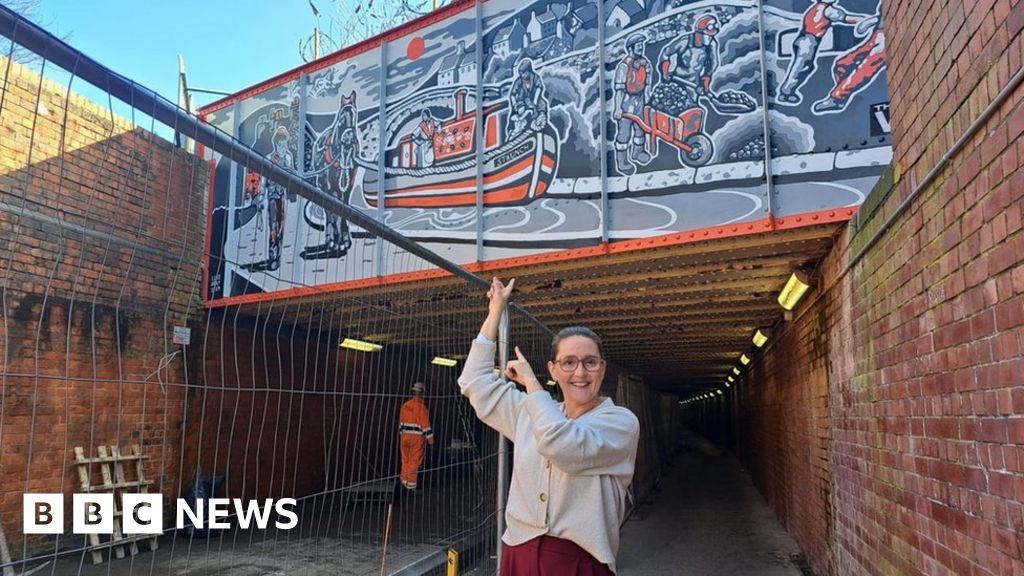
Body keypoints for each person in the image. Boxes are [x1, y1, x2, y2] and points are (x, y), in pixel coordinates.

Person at [458, 278, 640, 574]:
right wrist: (495, 313)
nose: (580, 372)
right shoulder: (532, 412)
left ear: (602, 369)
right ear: (553, 369)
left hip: (580, 560)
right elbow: (474, 383)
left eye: (590, 362)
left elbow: (563, 446)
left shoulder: (620, 423)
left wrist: (532, 384)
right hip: (519, 552)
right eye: (568, 362)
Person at [777, 0, 866, 104]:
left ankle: (787, 92)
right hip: (809, 41)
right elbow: (845, 18)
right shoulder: (827, 9)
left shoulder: (817, 7)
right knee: (801, 67)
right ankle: (786, 92)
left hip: (803, 38)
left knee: (805, 66)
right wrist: (863, 20)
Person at [613, 33, 652, 176]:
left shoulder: (644, 63)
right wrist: (618, 108)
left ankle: (638, 152)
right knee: (624, 132)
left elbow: (647, 82)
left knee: (641, 128)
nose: (641, 48)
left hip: (640, 99)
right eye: (638, 45)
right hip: (626, 100)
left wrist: (647, 97)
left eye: (642, 45)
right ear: (631, 48)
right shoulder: (624, 66)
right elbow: (619, 89)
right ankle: (622, 161)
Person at [398, 381, 434, 491]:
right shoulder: (421, 407)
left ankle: (403, 484)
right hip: (416, 438)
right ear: (422, 393)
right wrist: (431, 440)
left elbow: (400, 423)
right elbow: (426, 425)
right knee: (414, 462)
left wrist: (402, 435)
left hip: (404, 436)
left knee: (405, 461)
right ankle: (411, 487)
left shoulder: (405, 405)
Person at [508, 58, 549, 138]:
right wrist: (515, 105)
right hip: (521, 102)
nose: (522, 75)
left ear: (529, 71)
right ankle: (516, 131)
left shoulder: (535, 78)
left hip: (534, 100)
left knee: (542, 105)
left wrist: (535, 102)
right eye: (520, 73)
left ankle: (539, 124)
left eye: (523, 72)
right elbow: (512, 94)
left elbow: (539, 88)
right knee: (519, 113)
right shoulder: (519, 81)